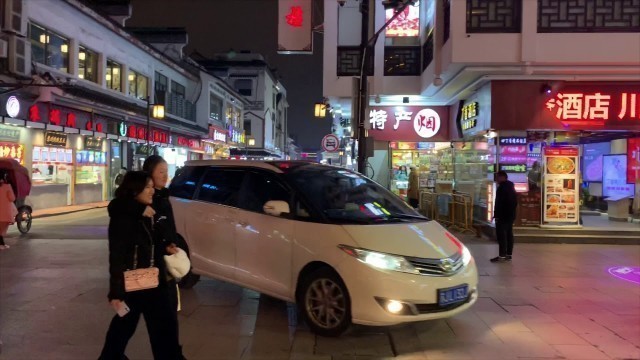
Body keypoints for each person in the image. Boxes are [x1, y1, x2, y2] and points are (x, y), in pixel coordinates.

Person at [99, 171, 181, 360]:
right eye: (148, 187)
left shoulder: (147, 211)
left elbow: (148, 245)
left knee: (162, 329)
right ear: (135, 190)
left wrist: (164, 247)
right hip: (134, 283)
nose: (152, 190)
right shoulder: (124, 215)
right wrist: (116, 292)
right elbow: (117, 256)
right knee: (123, 328)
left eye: (152, 186)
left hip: (152, 280)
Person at [142, 155, 186, 359]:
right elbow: (145, 237)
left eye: (166, 171)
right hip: (150, 271)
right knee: (157, 320)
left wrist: (173, 243)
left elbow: (169, 228)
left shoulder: (165, 198)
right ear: (149, 174)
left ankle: (173, 354)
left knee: (169, 317)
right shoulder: (143, 202)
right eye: (160, 171)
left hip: (166, 270)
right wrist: (162, 247)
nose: (165, 175)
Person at [491, 171, 518, 263]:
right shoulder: (511, 187)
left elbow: (500, 203)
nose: (496, 179)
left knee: (502, 236)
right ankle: (508, 254)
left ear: (502, 177)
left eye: (497, 177)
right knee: (509, 234)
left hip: (503, 216)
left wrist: (497, 215)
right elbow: (514, 203)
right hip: (510, 215)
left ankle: (502, 255)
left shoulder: (502, 188)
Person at [0, 170, 17, 250]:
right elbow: (12, 198)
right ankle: (2, 244)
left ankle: (2, 244)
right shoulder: (7, 186)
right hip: (5, 212)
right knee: (2, 229)